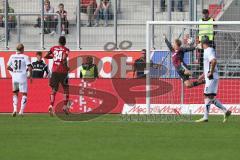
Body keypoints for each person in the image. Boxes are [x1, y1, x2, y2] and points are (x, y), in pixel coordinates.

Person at [195, 37, 231, 123]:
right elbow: (209, 64)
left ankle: (206, 117)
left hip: (211, 77)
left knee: (207, 96)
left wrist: (210, 72)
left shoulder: (208, 50)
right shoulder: (208, 50)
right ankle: (225, 111)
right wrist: (203, 74)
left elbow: (214, 61)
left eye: (200, 43)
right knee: (210, 97)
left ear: (203, 43)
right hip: (211, 77)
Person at [44, 36, 70, 116]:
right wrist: (67, 67)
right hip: (63, 71)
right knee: (66, 89)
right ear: (65, 42)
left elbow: (45, 56)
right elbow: (64, 59)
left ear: (58, 42)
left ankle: (51, 105)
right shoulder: (66, 50)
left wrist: (54, 57)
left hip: (54, 71)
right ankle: (65, 106)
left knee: (54, 89)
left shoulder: (53, 48)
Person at [7, 43, 32, 117]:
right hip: (22, 77)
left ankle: (14, 109)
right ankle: (21, 111)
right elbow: (30, 67)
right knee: (24, 94)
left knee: (15, 93)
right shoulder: (25, 57)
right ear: (22, 49)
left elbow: (8, 67)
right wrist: (30, 75)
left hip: (14, 77)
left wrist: (14, 70)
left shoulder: (12, 56)